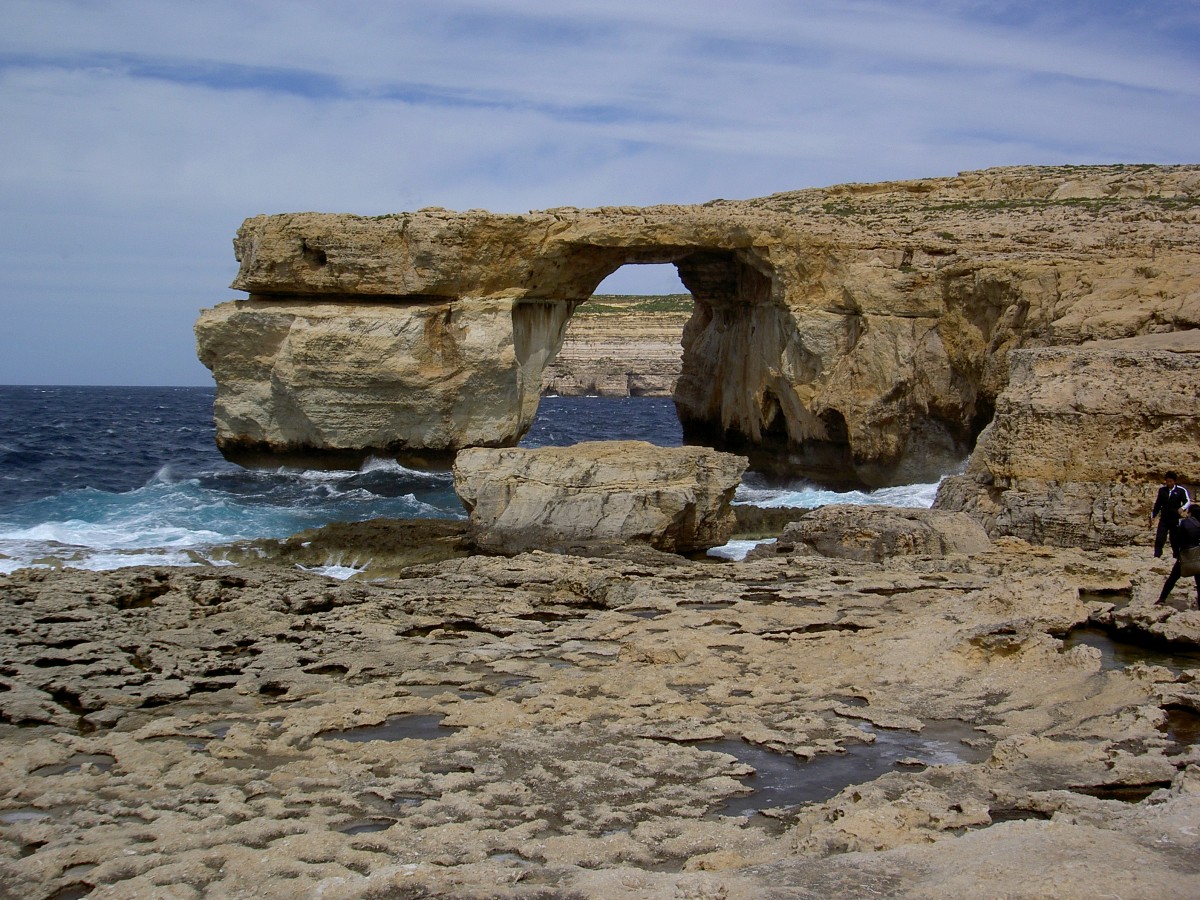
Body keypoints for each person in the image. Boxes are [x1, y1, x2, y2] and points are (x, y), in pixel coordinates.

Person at [1159, 502, 1200, 607]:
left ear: (1190, 513)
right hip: (1198, 554)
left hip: (1186, 554)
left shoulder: (1185, 523)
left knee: (1173, 578)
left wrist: (1177, 552)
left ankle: (1162, 599)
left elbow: (1177, 539)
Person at [1150, 471, 1190, 558]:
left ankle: (1176, 555)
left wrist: (1182, 508)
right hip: (1164, 518)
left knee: (1174, 538)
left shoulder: (1180, 490)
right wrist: (1153, 515)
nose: (1169, 483)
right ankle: (1157, 555)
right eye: (1167, 481)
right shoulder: (1162, 490)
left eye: (1170, 481)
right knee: (1160, 537)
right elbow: (1158, 504)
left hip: (1174, 519)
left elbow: (1187, 501)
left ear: (1174, 481)